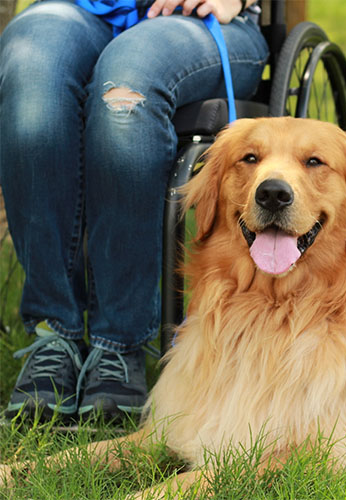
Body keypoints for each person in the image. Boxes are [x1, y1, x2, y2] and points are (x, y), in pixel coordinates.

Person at [0, 0, 268, 420]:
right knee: (30, 66)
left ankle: (120, 344)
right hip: (79, 9)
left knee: (124, 86)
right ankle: (53, 336)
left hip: (200, 17)